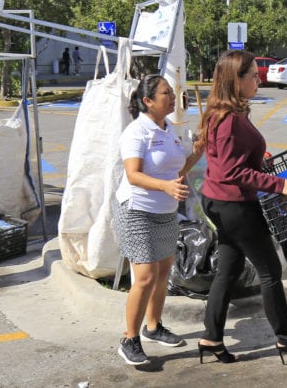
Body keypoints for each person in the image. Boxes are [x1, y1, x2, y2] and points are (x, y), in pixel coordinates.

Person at [194, 50, 287, 366]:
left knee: (228, 270)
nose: (258, 80)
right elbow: (231, 172)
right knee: (270, 272)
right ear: (235, 80)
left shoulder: (227, 112)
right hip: (234, 205)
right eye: (252, 75)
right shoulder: (229, 120)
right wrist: (279, 185)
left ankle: (211, 337)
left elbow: (232, 162)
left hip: (222, 201)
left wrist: (260, 165)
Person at [113, 74, 203, 366]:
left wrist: (196, 154)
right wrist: (165, 187)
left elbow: (176, 172)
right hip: (137, 211)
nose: (173, 97)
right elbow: (133, 175)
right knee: (145, 276)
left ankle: (153, 327)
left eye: (172, 93)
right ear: (148, 101)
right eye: (166, 93)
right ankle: (129, 339)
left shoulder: (169, 130)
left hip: (166, 211)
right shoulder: (136, 132)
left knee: (163, 272)